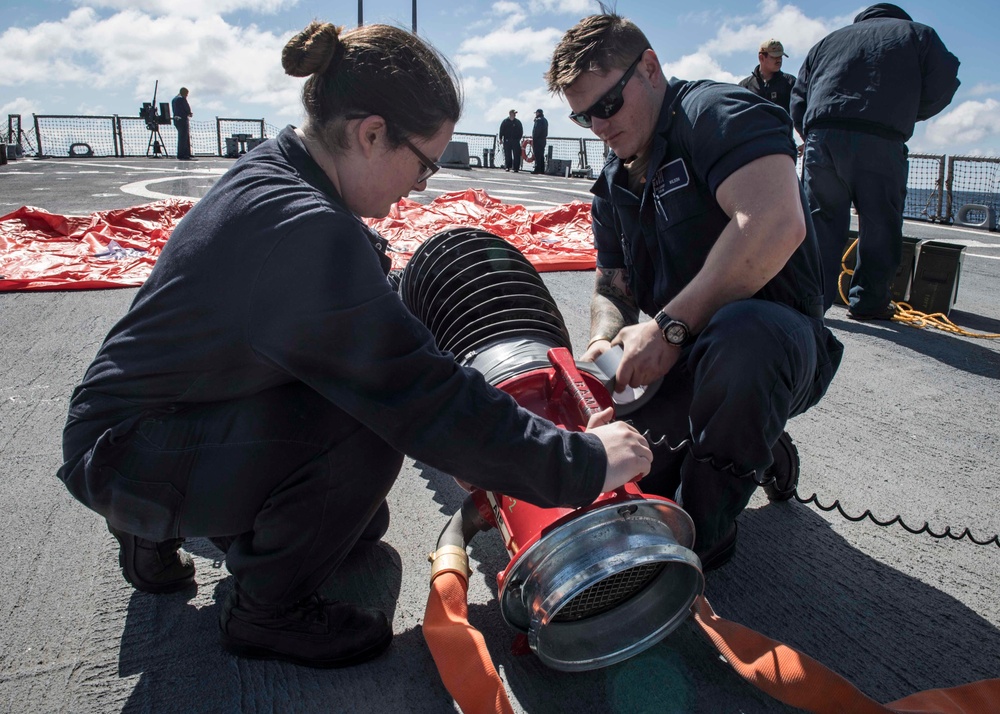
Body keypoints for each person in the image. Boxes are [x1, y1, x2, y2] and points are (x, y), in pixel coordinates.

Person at [56, 21, 651, 670]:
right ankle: (265, 612)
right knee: (367, 432)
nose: (422, 186)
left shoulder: (280, 174)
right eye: (425, 163)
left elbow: (372, 308)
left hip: (134, 427)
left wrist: (487, 438)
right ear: (371, 134)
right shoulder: (305, 232)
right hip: (128, 452)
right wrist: (583, 461)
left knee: (355, 526)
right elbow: (420, 396)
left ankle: (154, 521)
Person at [546, 13, 844, 568]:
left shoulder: (716, 115)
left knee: (743, 337)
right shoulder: (613, 184)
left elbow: (776, 223)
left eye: (607, 105)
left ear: (650, 67)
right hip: (680, 358)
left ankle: (700, 538)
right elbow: (613, 285)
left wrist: (669, 325)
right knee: (627, 476)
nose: (599, 127)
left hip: (771, 345)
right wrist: (604, 343)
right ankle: (756, 446)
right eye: (583, 115)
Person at [790, 4, 960, 318]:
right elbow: (943, 84)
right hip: (879, 139)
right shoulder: (918, 34)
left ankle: (810, 304)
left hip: (822, 138)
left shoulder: (827, 41)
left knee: (820, 226)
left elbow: (799, 97)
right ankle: (868, 303)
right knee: (880, 223)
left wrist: (811, 133)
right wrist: (903, 112)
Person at [738, 39, 795, 113]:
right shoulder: (745, 86)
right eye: (774, 57)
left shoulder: (790, 83)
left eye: (780, 56)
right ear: (761, 58)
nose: (779, 60)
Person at [171, 87, 194, 160]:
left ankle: (183, 153)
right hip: (183, 119)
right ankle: (183, 154)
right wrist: (189, 113)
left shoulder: (174, 99)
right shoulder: (182, 99)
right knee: (184, 137)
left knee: (182, 137)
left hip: (176, 120)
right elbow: (186, 108)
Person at [531, 108, 549, 174]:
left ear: (538, 113)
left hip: (538, 140)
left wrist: (534, 138)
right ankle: (542, 169)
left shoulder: (538, 120)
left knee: (537, 155)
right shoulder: (545, 120)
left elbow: (536, 131)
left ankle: (537, 169)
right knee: (541, 155)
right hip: (543, 139)